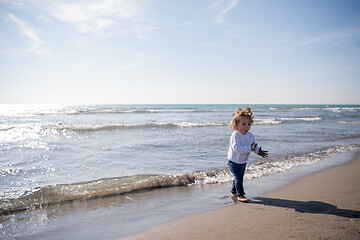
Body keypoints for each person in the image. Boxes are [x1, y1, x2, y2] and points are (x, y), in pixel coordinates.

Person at [227, 107, 268, 202]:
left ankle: (233, 191)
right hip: (233, 161)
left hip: (243, 161)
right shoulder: (235, 135)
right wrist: (250, 148)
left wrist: (258, 151)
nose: (247, 127)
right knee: (239, 177)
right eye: (244, 124)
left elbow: (254, 146)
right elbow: (236, 148)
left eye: (249, 124)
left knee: (239, 176)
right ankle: (240, 195)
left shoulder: (250, 135)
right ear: (237, 125)